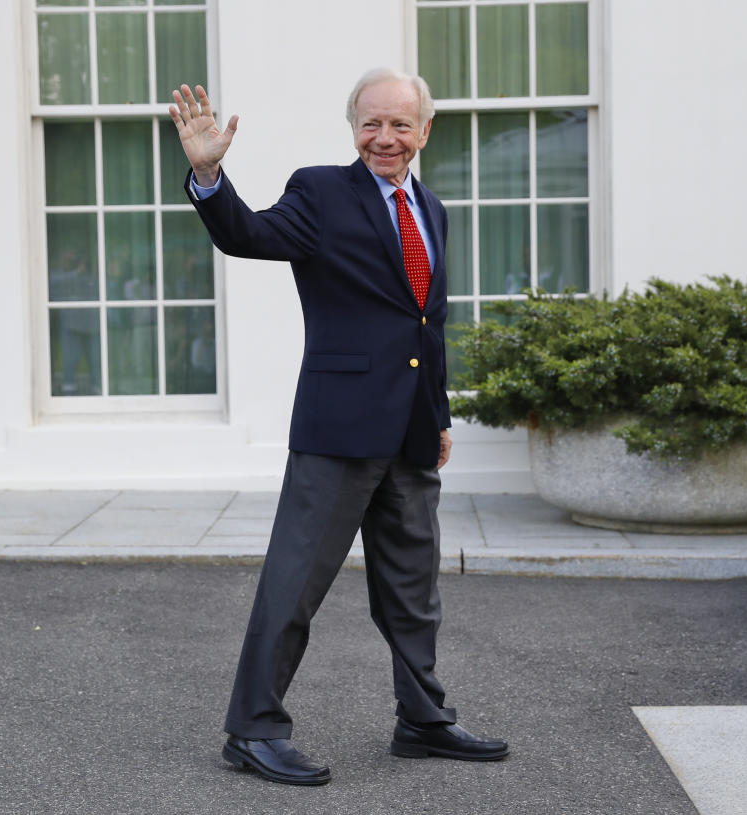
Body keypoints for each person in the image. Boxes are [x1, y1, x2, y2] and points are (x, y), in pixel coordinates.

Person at [168, 68, 508, 787]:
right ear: (353, 126)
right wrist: (208, 177)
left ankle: (422, 718)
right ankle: (252, 729)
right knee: (293, 584)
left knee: (414, 588)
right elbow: (248, 235)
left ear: (425, 130)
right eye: (370, 123)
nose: (385, 138)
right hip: (337, 427)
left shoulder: (432, 209)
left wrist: (439, 414)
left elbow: (429, 322)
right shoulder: (321, 191)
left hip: (412, 429)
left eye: (400, 125)